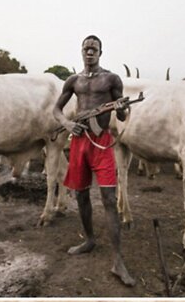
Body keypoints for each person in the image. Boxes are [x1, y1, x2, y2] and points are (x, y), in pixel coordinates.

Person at [54, 35, 135, 287]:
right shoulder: (73, 80)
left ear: (101, 52)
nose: (90, 52)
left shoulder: (111, 79)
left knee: (110, 199)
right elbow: (57, 109)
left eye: (94, 48)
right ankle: (89, 240)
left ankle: (118, 261)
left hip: (101, 144)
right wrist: (68, 123)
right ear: (81, 51)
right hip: (79, 143)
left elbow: (121, 115)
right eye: (86, 48)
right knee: (80, 195)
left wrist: (120, 107)